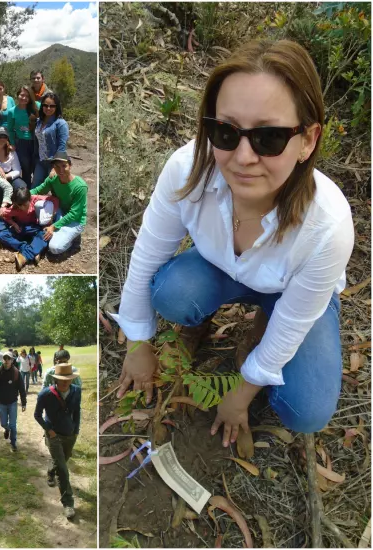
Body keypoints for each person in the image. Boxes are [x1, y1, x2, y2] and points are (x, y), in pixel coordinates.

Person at [114, 39, 355, 444]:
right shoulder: (186, 170)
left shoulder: (327, 226)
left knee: (307, 411)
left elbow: (293, 324)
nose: (242, 157)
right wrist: (137, 342)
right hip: (222, 270)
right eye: (225, 132)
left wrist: (240, 395)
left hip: (289, 295)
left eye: (269, 138)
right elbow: (146, 257)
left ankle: (258, 328)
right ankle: (198, 321)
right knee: (171, 292)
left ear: (308, 141)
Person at [34, 363, 81, 519]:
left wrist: (76, 431)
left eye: (68, 380)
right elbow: (37, 415)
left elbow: (77, 412)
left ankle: (50, 471)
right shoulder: (45, 394)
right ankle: (68, 503)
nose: (65, 383)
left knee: (62, 461)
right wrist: (49, 430)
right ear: (55, 379)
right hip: (53, 436)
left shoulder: (76, 391)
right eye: (62, 380)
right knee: (63, 469)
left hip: (70, 435)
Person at [31, 152, 87, 255]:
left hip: (76, 220)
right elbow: (39, 190)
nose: (60, 170)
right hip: (59, 212)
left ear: (70, 166)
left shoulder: (80, 186)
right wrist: (21, 196)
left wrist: (53, 227)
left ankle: (74, 240)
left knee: (54, 248)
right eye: (57, 166)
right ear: (53, 167)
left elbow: (75, 214)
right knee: (39, 206)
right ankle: (59, 233)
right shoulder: (53, 179)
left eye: (64, 166)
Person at [0, 186, 59, 270]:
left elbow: (55, 200)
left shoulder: (36, 199)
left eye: (25, 205)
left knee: (45, 233)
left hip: (36, 227)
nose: (22, 207)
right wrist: (14, 224)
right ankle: (32, 249)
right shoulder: (15, 207)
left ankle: (24, 257)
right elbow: (6, 216)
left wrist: (52, 215)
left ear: (29, 199)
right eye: (19, 205)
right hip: (23, 228)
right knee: (2, 235)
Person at [0, 351, 27, 451]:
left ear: (12, 360)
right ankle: (6, 429)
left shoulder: (16, 373)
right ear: (2, 360)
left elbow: (21, 389)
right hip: (2, 402)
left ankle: (13, 443)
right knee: (3, 423)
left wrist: (24, 402)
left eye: (9, 359)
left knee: (13, 425)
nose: (6, 361)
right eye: (5, 358)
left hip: (13, 403)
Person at [32, 92, 69, 188]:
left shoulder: (61, 123)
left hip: (54, 163)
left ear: (57, 107)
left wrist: (55, 167)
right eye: (45, 105)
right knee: (35, 187)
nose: (48, 108)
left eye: (52, 106)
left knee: (56, 190)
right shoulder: (39, 121)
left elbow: (62, 147)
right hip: (40, 161)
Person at [7, 86, 40, 184]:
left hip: (36, 142)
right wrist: (12, 143)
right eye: (22, 95)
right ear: (17, 95)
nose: (24, 98)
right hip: (21, 143)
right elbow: (10, 130)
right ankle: (27, 194)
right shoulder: (12, 111)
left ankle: (38, 193)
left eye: (27, 96)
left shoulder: (36, 106)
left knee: (37, 169)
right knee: (26, 170)